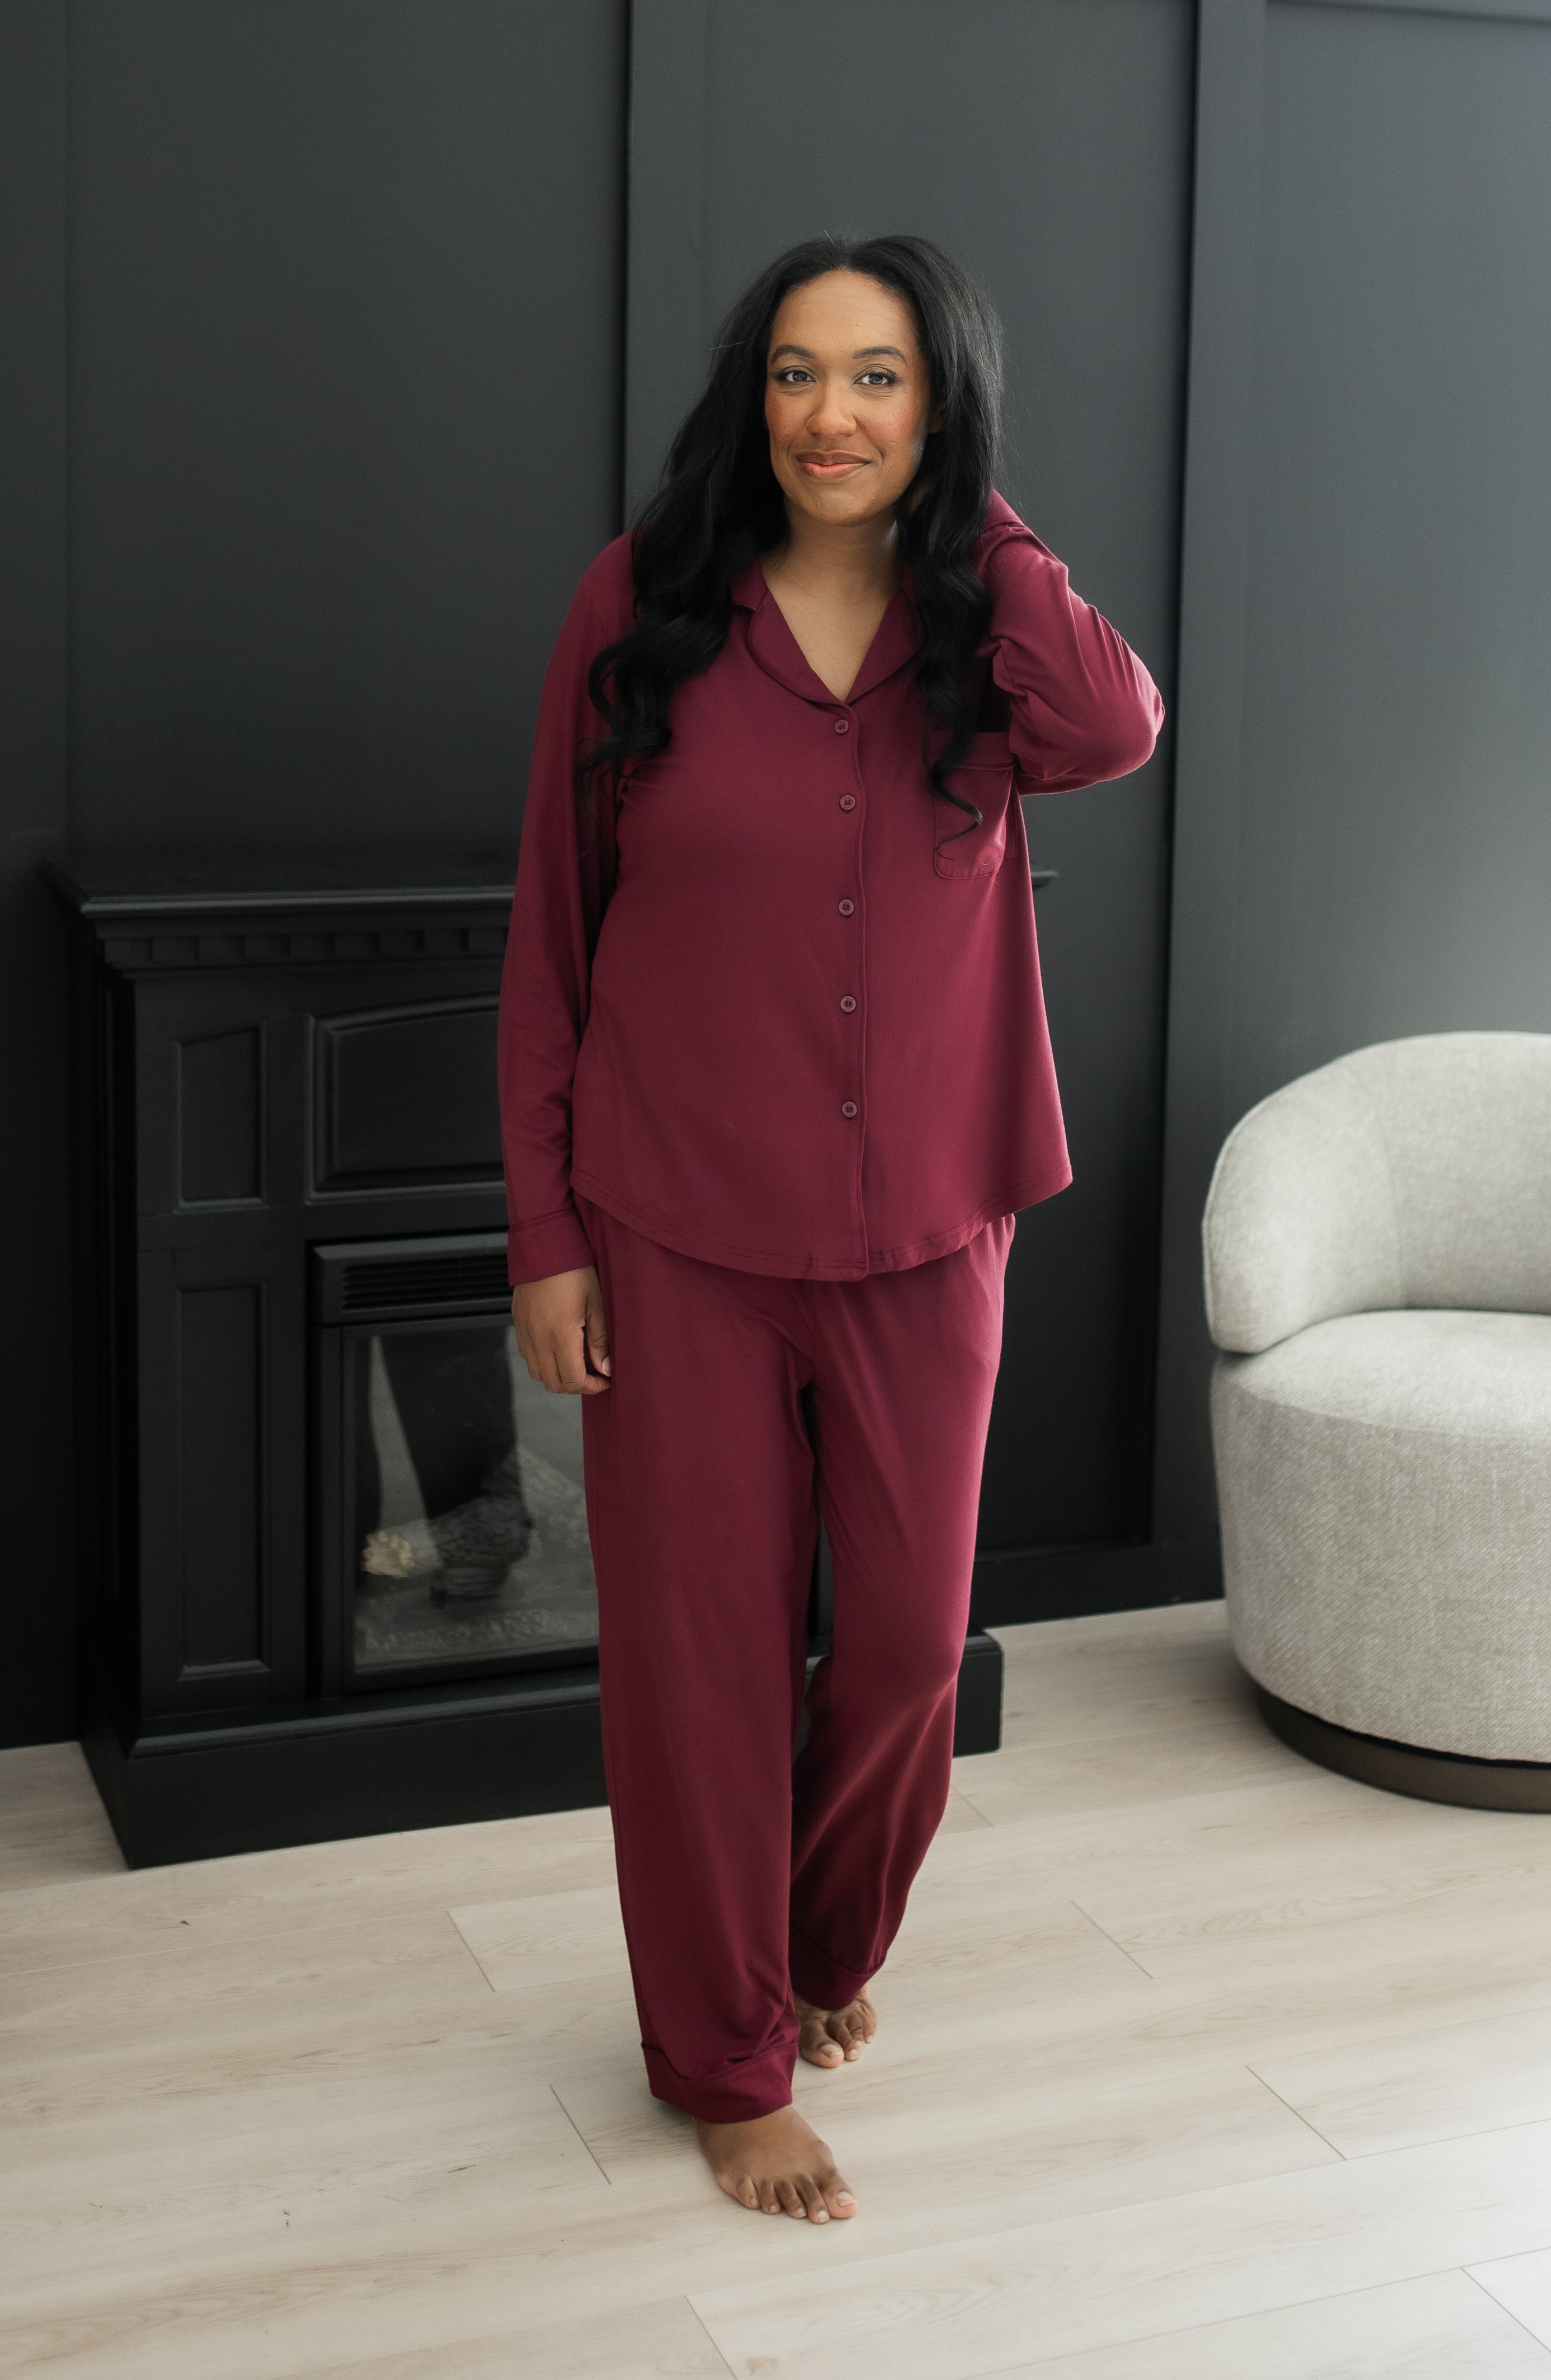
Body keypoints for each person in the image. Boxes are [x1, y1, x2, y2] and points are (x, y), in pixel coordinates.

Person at [498, 233, 1163, 2226]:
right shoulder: (641, 606)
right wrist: (545, 1234)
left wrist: (985, 520)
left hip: (929, 1225)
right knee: (698, 1673)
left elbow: (1119, 724)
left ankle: (814, 1942)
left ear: (940, 408)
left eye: (880, 377)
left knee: (901, 1650)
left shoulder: (993, 634)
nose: (832, 416)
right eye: (797, 373)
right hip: (675, 1224)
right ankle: (725, 2063)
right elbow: (552, 936)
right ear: (752, 397)